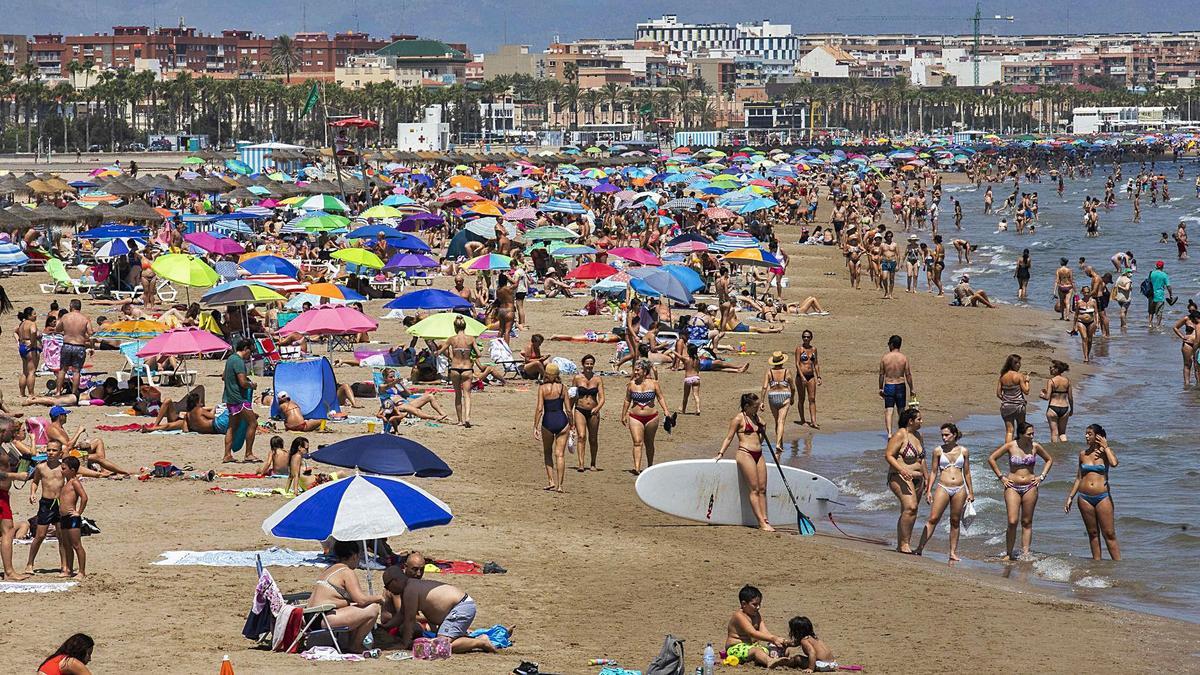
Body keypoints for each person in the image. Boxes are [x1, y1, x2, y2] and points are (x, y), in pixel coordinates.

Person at [380, 568, 499, 653]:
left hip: (461, 607)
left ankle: (481, 642)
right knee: (438, 643)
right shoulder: (410, 586)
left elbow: (409, 619)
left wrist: (404, 644)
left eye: (387, 586)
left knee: (441, 645)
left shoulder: (409, 590)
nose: (388, 589)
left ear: (395, 581)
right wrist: (385, 626)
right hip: (461, 606)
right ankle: (474, 640)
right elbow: (402, 614)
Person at [988, 421, 1054, 561]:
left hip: (1030, 486)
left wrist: (1042, 476)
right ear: (1021, 434)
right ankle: (1009, 553)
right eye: (1029, 434)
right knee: (1012, 521)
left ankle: (1025, 553)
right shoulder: (1011, 445)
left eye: (1033, 434)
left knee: (1027, 521)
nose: (1032, 436)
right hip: (1012, 486)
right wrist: (1002, 477)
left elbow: (1049, 459)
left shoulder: (1035, 447)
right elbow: (992, 458)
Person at [306, 539, 383, 652]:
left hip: (311, 619)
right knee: (373, 609)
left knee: (356, 607)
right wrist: (379, 598)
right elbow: (361, 600)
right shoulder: (346, 572)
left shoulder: (330, 569)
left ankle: (349, 643)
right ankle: (355, 645)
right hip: (324, 618)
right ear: (354, 556)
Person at [914, 423, 974, 561]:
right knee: (933, 518)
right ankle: (920, 548)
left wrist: (971, 492)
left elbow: (967, 473)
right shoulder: (938, 451)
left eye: (947, 435)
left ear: (954, 435)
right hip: (943, 486)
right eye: (942, 435)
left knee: (955, 521)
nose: (944, 438)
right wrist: (928, 490)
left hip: (960, 488)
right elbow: (934, 472)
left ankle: (952, 552)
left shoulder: (964, 451)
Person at [716, 393, 774, 531]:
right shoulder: (738, 419)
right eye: (755, 406)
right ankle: (761, 522)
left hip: (758, 454)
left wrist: (763, 429)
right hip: (745, 453)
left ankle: (765, 519)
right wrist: (720, 453)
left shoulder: (757, 419)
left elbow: (759, 441)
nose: (758, 409)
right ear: (747, 406)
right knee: (754, 489)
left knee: (762, 489)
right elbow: (729, 438)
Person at [1064, 424, 1120, 561]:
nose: (1086, 436)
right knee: (1093, 533)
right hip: (1084, 498)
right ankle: (1097, 565)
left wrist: (1106, 447)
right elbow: (1078, 478)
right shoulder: (1083, 454)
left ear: (1098, 436)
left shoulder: (1105, 453)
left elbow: (1114, 463)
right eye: (1086, 433)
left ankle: (1119, 566)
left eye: (1089, 434)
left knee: (1109, 533)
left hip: (1103, 497)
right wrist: (1070, 497)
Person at [885, 407, 926, 554]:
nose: (922, 421)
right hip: (899, 476)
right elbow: (888, 455)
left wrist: (926, 478)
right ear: (910, 421)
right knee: (911, 507)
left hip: (918, 479)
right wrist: (902, 470)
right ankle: (904, 544)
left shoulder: (918, 435)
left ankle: (902, 542)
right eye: (919, 419)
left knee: (909, 511)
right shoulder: (900, 434)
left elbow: (922, 460)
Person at [46, 407, 129, 476]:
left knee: (98, 441)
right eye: (65, 415)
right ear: (60, 416)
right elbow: (67, 446)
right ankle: (123, 471)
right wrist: (78, 432)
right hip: (67, 455)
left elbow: (68, 444)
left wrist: (78, 445)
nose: (66, 417)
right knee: (98, 457)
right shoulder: (53, 429)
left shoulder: (59, 427)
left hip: (72, 451)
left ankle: (103, 469)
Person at [24, 445, 68, 577]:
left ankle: (64, 566)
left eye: (54, 450)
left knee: (62, 537)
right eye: (49, 450)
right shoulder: (41, 467)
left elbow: (72, 479)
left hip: (60, 504)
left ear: (60, 453)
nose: (50, 453)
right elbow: (35, 481)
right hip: (46, 504)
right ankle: (30, 564)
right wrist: (32, 493)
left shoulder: (63, 467)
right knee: (40, 535)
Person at [621, 359, 669, 475]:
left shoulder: (653, 384)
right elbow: (627, 400)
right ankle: (637, 468)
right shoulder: (631, 385)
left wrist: (666, 411)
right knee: (637, 442)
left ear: (644, 371)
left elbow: (660, 397)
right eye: (635, 370)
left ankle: (650, 466)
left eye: (638, 370)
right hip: (635, 416)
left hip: (652, 417)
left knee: (649, 442)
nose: (635, 372)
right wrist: (623, 414)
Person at [724, 585, 787, 668]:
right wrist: (773, 639)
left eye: (759, 604)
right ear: (744, 604)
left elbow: (765, 632)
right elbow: (752, 633)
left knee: (782, 649)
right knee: (757, 651)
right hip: (736, 648)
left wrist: (779, 641)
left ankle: (779, 660)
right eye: (754, 604)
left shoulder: (756, 615)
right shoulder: (739, 616)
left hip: (751, 648)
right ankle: (769, 661)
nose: (758, 607)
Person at [533, 363, 572, 493]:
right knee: (560, 454)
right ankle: (560, 485)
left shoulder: (542, 388)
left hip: (548, 421)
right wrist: (572, 425)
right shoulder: (563, 388)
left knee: (547, 452)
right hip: (561, 420)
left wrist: (535, 426)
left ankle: (551, 481)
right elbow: (568, 410)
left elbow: (539, 409)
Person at [221, 340, 259, 463]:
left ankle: (227, 455)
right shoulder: (238, 361)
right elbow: (243, 382)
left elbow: (223, 376)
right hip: (239, 399)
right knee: (253, 423)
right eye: (251, 351)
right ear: (246, 348)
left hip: (229, 397)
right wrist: (251, 385)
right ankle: (248, 453)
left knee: (231, 427)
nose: (251, 354)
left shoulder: (230, 359)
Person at [436, 316, 478, 428]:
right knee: (467, 394)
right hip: (467, 368)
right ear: (465, 326)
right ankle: (467, 418)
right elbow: (479, 354)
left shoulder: (451, 339)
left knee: (458, 394)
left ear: (455, 327)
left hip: (455, 368)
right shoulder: (471, 339)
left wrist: (447, 353)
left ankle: (460, 420)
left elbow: (440, 352)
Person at [570, 354, 604, 472]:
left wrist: (598, 408)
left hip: (594, 411)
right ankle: (581, 463)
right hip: (580, 409)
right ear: (583, 364)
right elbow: (572, 395)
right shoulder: (577, 378)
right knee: (581, 436)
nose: (589, 366)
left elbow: (602, 398)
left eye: (591, 363)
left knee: (593, 438)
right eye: (587, 363)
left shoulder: (598, 379)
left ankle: (593, 463)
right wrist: (569, 412)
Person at [878, 335, 914, 437]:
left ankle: (889, 433)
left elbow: (881, 374)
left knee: (889, 410)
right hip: (900, 386)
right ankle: (901, 431)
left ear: (892, 344)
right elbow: (908, 374)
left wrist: (880, 388)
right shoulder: (903, 358)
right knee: (901, 410)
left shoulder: (885, 358)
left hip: (889, 385)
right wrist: (912, 388)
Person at [57, 457, 87, 579]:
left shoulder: (75, 482)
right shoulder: (66, 483)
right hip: (63, 517)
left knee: (76, 545)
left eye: (64, 468)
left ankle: (81, 571)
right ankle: (68, 569)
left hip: (72, 517)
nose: (61, 471)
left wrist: (78, 512)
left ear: (72, 470)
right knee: (66, 545)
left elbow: (84, 497)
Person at [55, 300, 92, 397]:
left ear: (71, 306)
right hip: (79, 346)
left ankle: (58, 392)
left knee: (62, 370)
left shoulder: (65, 316)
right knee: (76, 371)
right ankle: (74, 393)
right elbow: (91, 332)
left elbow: (58, 329)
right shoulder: (85, 318)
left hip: (67, 345)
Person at [759, 352, 795, 449]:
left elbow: (764, 386)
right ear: (782, 361)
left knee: (777, 421)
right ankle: (779, 443)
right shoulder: (787, 371)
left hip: (773, 396)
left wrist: (761, 401)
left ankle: (780, 442)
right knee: (781, 421)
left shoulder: (769, 372)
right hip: (785, 395)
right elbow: (792, 387)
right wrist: (792, 398)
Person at [996, 354, 1030, 443]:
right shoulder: (1019, 376)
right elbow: (1026, 391)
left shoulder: (1002, 376)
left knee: (1009, 431)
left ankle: (1008, 450)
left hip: (1006, 406)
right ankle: (1020, 450)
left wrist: (1007, 400)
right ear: (1013, 364)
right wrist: (1027, 381)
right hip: (1019, 406)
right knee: (1021, 428)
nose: (1019, 365)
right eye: (1017, 363)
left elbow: (998, 394)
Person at [1040, 360, 1073, 442]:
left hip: (1053, 408)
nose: (1050, 369)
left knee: (1054, 433)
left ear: (1057, 369)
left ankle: (1054, 453)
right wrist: (1072, 409)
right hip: (1065, 408)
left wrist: (1042, 395)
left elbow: (1047, 397)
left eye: (1051, 368)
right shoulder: (1067, 381)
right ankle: (1064, 452)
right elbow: (1070, 397)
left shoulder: (1051, 381)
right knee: (1062, 434)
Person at [793, 330, 821, 429]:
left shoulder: (814, 349)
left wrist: (818, 376)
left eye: (808, 337)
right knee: (802, 398)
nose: (806, 339)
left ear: (811, 338)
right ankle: (802, 419)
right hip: (801, 376)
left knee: (812, 399)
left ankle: (813, 421)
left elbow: (816, 363)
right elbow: (797, 364)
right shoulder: (799, 349)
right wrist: (802, 376)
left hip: (811, 376)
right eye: (804, 337)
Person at [16, 307, 41, 398]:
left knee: (24, 372)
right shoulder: (31, 323)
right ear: (29, 316)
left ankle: (22, 393)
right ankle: (31, 393)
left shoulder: (22, 324)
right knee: (31, 372)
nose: (36, 315)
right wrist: (33, 343)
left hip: (22, 347)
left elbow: (15, 331)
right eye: (34, 314)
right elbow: (33, 331)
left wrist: (17, 341)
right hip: (29, 348)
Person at [1074, 286, 1098, 363]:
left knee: (1090, 339)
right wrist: (1074, 326)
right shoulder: (1079, 302)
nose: (1086, 294)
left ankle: (1087, 353)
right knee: (1084, 338)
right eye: (1085, 292)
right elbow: (1076, 314)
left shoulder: (1093, 301)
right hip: (1081, 322)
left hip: (1091, 322)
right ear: (1082, 293)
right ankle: (1086, 357)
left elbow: (1096, 313)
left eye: (1088, 292)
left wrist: (1097, 323)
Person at [1147, 260, 1175, 328]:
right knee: (1159, 312)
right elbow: (1168, 286)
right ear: (1162, 267)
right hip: (1160, 296)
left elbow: (1148, 282)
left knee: (1151, 311)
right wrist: (1171, 295)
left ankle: (1150, 324)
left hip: (1151, 295)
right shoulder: (1164, 275)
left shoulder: (1151, 273)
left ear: (1156, 266)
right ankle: (1157, 326)